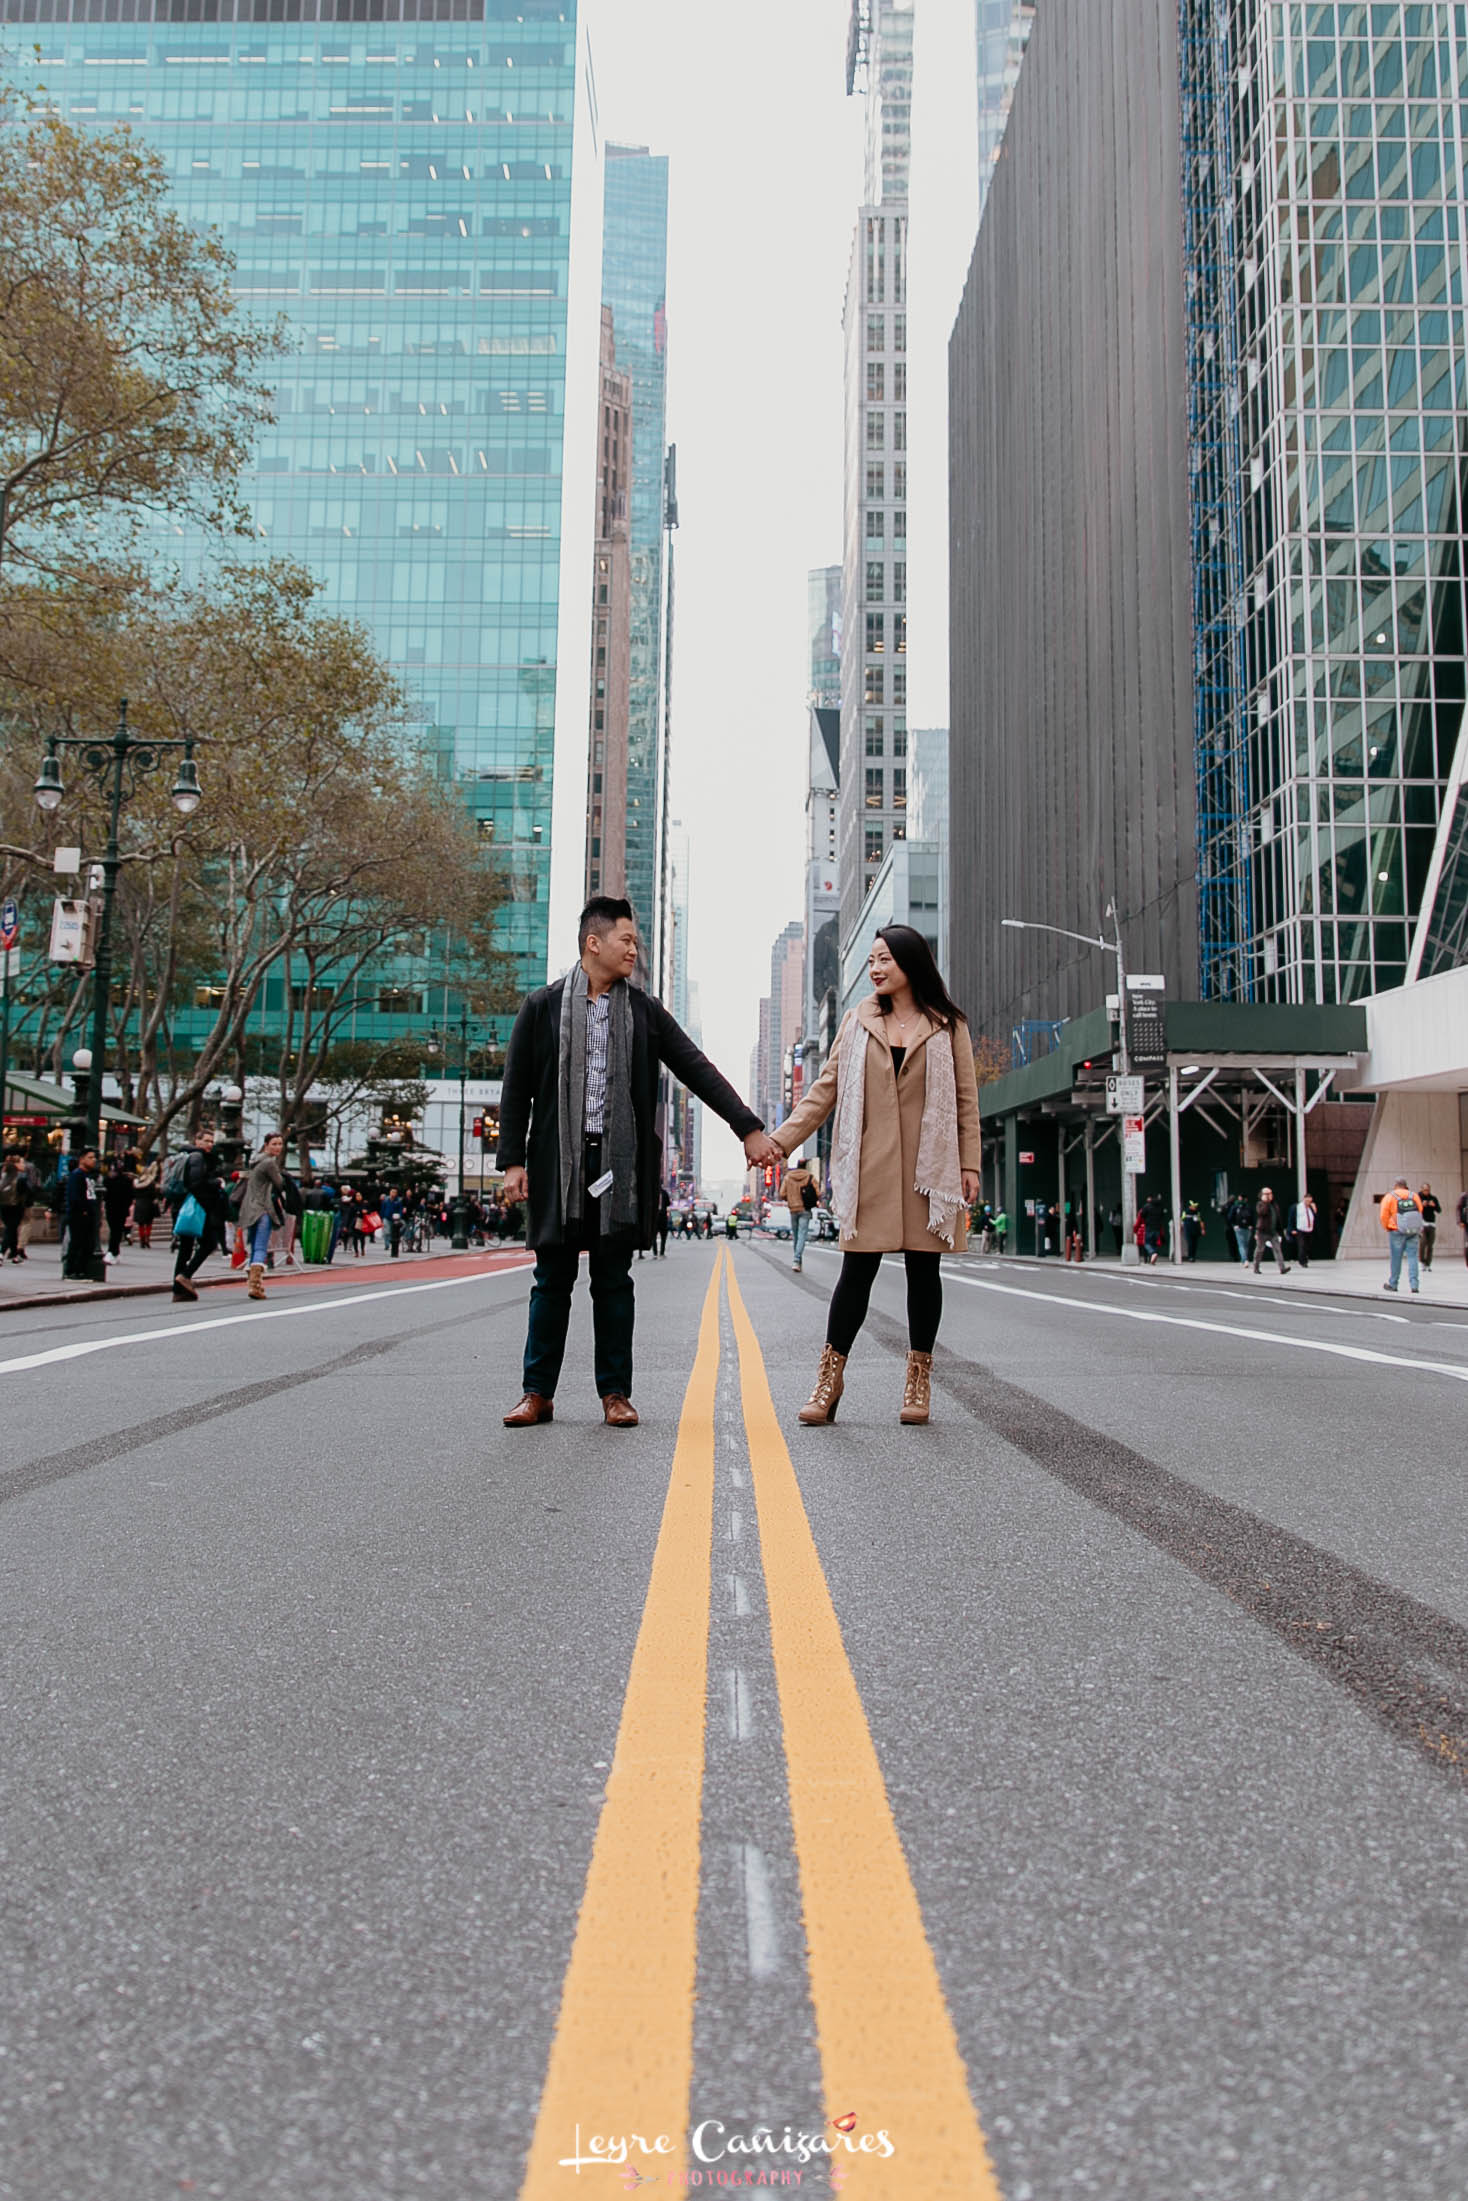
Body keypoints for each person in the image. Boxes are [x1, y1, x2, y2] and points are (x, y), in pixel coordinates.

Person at [496, 895, 778, 1428]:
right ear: (593, 942)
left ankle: (615, 1394)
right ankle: (537, 1393)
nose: (634, 949)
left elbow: (698, 1068)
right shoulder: (542, 1006)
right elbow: (517, 1090)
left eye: (636, 940)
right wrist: (512, 1161)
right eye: (626, 939)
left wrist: (748, 1127)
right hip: (561, 1162)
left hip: (619, 1166)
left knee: (613, 1280)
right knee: (551, 1279)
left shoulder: (644, 1012)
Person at [770, 924, 981, 1429]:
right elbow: (825, 1090)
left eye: (884, 958)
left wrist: (969, 1163)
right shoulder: (858, 1020)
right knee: (855, 1276)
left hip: (929, 1171)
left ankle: (917, 1379)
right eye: (871, 960)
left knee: (923, 1274)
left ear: (911, 963)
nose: (876, 968)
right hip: (870, 1169)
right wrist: (781, 1141)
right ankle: (829, 1380)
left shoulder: (948, 1025)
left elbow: (966, 1101)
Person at [171, 1126, 229, 1301]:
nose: (209, 1144)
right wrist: (216, 1183)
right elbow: (196, 1182)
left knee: (186, 1247)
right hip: (198, 1206)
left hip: (188, 1205)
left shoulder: (191, 1156)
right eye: (206, 1141)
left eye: (211, 1141)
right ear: (197, 1141)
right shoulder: (198, 1157)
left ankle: (178, 1289)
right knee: (208, 1243)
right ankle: (185, 1276)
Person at [239, 1133, 287, 1300]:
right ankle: (256, 1286)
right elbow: (280, 1183)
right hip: (262, 1208)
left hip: (248, 1209)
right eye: (274, 1144)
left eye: (280, 1144)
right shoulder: (269, 1163)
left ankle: (252, 1283)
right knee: (261, 1246)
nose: (278, 1147)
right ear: (266, 1145)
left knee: (254, 1246)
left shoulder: (255, 1161)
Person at [1380, 1176, 1423, 1294]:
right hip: (1412, 1231)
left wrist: (1387, 1227)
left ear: (1395, 1185)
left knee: (1396, 1258)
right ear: (1405, 1185)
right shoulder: (1414, 1196)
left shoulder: (1390, 1197)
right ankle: (1414, 1285)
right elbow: (1419, 1210)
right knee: (1413, 1257)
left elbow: (1384, 1215)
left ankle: (1393, 1284)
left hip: (1396, 1230)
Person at [63, 1148, 101, 1277]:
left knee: (88, 1244)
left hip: (88, 1214)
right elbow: (74, 1197)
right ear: (82, 1159)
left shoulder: (88, 1176)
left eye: (94, 1158)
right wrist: (83, 1211)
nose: (93, 1160)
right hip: (79, 1215)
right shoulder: (77, 1175)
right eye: (90, 1157)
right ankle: (72, 1270)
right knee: (77, 1243)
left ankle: (81, 1269)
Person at [783, 1153, 817, 1273]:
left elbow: (782, 1193)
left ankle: (797, 1261)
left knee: (796, 1236)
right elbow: (818, 1192)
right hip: (805, 1209)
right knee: (802, 1235)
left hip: (793, 1209)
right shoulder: (810, 1177)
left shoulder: (788, 1177)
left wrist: (790, 1198)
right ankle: (797, 1260)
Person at [102, 1152, 136, 1264]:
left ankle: (112, 1251)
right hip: (113, 1207)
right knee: (115, 1230)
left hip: (119, 1208)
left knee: (116, 1230)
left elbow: (130, 1196)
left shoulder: (125, 1181)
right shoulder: (109, 1181)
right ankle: (115, 1251)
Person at [0, 1154, 32, 1263]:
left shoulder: (4, 1175)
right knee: (11, 1229)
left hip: (4, 1206)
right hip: (16, 1206)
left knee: (11, 1229)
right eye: (21, 1162)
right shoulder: (20, 1177)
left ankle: (14, 1253)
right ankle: (2, 1252)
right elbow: (28, 1192)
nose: (23, 1165)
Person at [1252, 1185, 1290, 1275]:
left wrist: (1280, 1231)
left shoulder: (1274, 1205)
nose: (1269, 1195)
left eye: (1270, 1193)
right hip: (1262, 1231)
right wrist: (1265, 1202)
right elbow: (1262, 1213)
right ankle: (1256, 1267)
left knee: (1277, 1250)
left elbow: (1278, 1218)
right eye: (1266, 1194)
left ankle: (1282, 1268)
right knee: (1259, 1250)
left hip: (1273, 1232)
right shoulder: (1260, 1204)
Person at [132, 1154, 161, 1249]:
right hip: (149, 1204)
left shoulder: (138, 1182)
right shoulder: (151, 1183)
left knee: (141, 1223)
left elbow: (134, 1192)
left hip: (139, 1203)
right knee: (148, 1223)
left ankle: (142, 1239)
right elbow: (155, 1193)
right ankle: (147, 1239)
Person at [1291, 1190, 1317, 1269]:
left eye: (1310, 1200)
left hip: (1309, 1229)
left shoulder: (1311, 1207)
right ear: (1304, 1199)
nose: (1308, 1201)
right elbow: (1292, 1218)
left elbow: (1314, 1217)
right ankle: (1302, 1262)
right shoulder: (1298, 1207)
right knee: (1302, 1245)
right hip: (1301, 1229)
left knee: (1307, 1246)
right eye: (1307, 1200)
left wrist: (1314, 1208)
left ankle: (1305, 1258)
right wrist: (1292, 1228)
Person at [1418, 1182, 1441, 1269]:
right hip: (1422, 1223)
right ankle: (1422, 1262)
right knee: (1423, 1243)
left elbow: (1439, 1210)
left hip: (1431, 1223)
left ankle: (1428, 1263)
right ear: (1421, 1190)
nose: (1426, 1192)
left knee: (1430, 1245)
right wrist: (1421, 1205)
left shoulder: (1433, 1198)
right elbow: (1414, 1209)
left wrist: (1434, 1205)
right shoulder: (1418, 1198)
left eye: (1427, 1190)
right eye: (1424, 1190)